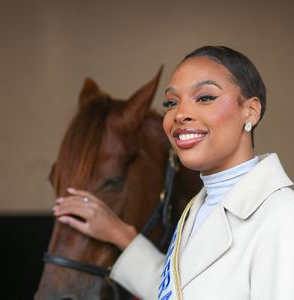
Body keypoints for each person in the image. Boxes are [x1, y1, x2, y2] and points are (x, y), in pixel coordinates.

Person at [53, 46, 294, 300]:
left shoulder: (282, 217)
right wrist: (119, 233)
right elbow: (181, 292)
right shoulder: (198, 208)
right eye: (171, 102)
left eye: (204, 98)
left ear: (251, 111)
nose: (180, 114)